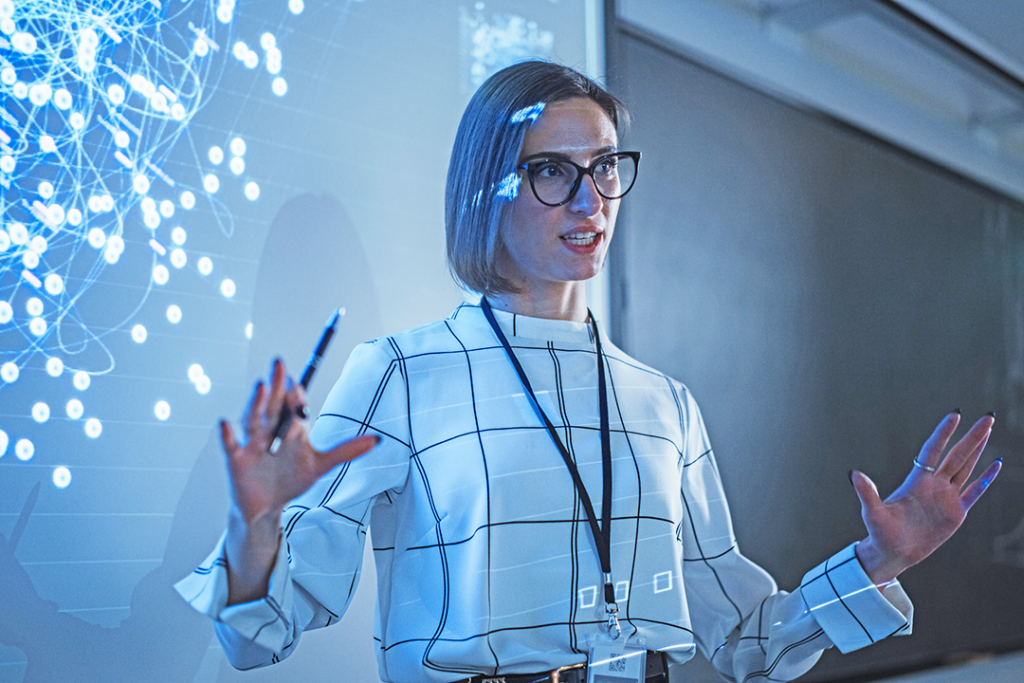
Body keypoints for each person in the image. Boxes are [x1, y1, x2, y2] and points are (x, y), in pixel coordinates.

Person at [176, 61, 1002, 683]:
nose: (590, 199)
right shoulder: (399, 373)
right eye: (551, 170)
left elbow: (751, 640)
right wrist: (256, 526)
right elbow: (258, 636)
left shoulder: (663, 404)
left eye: (606, 166)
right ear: (485, 189)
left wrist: (877, 563)